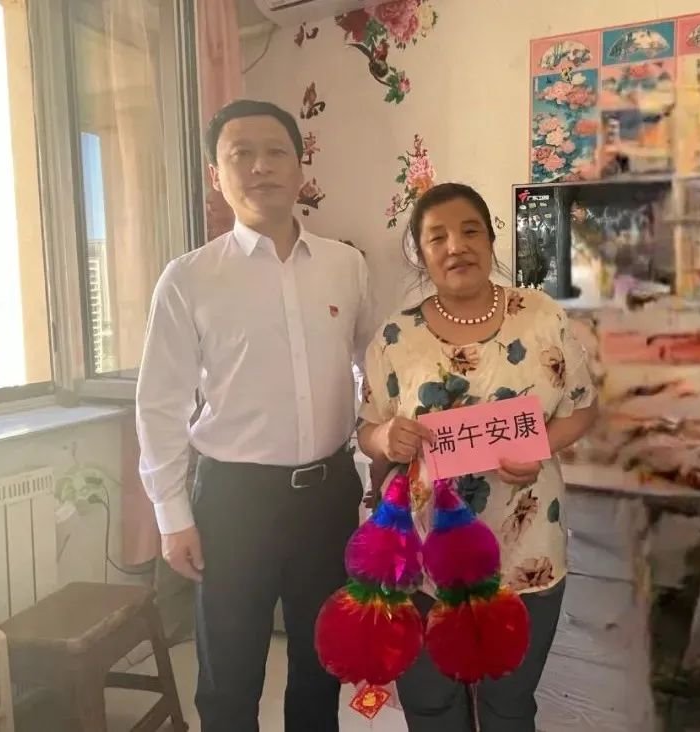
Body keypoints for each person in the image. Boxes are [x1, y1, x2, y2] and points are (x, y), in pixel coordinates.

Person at [135, 99, 379, 732]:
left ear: (300, 167)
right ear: (216, 175)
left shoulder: (346, 266)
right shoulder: (189, 279)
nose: (260, 166)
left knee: (321, 663)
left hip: (326, 496)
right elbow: (160, 403)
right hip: (233, 501)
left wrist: (374, 471)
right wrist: (172, 515)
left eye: (275, 152)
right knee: (229, 676)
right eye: (240, 154)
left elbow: (375, 371)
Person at [356, 182, 598, 731]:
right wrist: (384, 437)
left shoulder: (542, 317)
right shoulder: (395, 337)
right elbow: (367, 428)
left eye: (469, 231)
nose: (455, 246)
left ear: (491, 239)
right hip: (424, 561)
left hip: (526, 551)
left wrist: (538, 444)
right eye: (436, 237)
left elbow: (583, 408)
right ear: (421, 253)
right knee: (431, 704)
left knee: (508, 705)